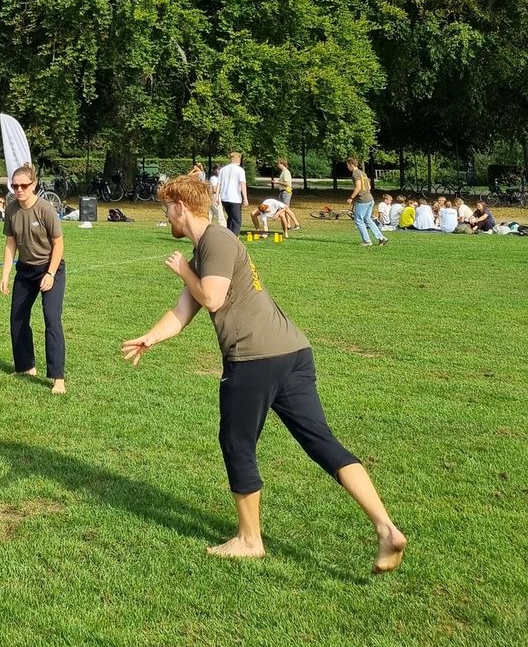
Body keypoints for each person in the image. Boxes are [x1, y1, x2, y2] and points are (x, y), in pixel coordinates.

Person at [121, 174, 405, 572]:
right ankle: (386, 529)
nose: (165, 214)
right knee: (320, 442)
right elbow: (184, 311)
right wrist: (150, 338)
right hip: (292, 352)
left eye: (166, 207)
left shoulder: (215, 242)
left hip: (255, 359)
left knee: (236, 443)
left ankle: (249, 539)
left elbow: (213, 299)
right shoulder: (207, 249)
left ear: (181, 207)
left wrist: (184, 270)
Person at [0, 162, 66, 395]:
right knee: (17, 318)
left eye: (23, 186)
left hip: (51, 269)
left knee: (51, 319)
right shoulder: (10, 209)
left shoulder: (45, 209)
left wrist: (49, 274)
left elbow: (59, 245)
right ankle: (26, 367)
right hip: (25, 271)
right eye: (14, 186)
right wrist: (6, 273)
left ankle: (58, 377)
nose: (19, 190)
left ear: (34, 185)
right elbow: (10, 243)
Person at [346, 157, 386, 247]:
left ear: (352, 165)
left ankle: (367, 241)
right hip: (370, 199)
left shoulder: (355, 174)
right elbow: (369, 187)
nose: (347, 167)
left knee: (358, 220)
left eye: (348, 166)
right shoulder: (362, 173)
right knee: (367, 219)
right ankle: (381, 238)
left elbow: (358, 187)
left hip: (363, 200)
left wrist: (351, 198)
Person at [217, 151, 248, 235]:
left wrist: (217, 197)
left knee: (230, 218)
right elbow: (242, 184)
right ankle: (234, 239)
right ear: (239, 159)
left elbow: (218, 184)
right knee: (237, 220)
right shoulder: (240, 170)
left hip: (224, 197)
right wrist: (245, 198)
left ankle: (228, 236)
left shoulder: (223, 169)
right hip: (235, 198)